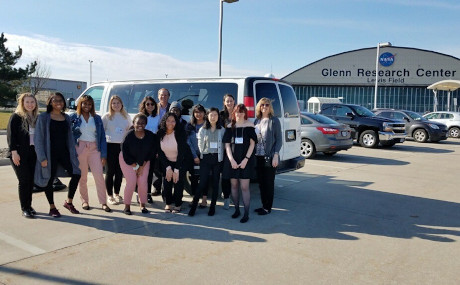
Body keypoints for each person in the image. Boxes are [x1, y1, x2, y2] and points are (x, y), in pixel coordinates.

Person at [34, 92, 81, 218]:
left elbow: (70, 137)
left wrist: (74, 154)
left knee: (76, 174)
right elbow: (38, 139)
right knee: (49, 179)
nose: (58, 103)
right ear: (50, 102)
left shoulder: (66, 117)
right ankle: (52, 207)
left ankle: (69, 202)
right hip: (50, 154)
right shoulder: (44, 117)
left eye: (60, 100)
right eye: (55, 100)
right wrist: (42, 158)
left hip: (65, 153)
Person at [70, 95, 111, 212]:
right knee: (82, 177)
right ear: (80, 104)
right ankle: (85, 201)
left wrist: (104, 155)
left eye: (89, 104)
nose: (87, 106)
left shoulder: (97, 118)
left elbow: (102, 137)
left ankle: (103, 202)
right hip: (80, 148)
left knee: (99, 176)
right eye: (84, 104)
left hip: (94, 148)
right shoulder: (73, 117)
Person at [222, 104, 257, 223]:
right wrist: (231, 159)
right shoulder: (229, 126)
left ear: (245, 113)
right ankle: (236, 210)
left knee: (244, 187)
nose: (239, 114)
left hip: (245, 160)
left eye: (242, 112)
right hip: (232, 160)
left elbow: (252, 144)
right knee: (234, 186)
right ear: (234, 113)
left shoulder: (250, 126)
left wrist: (246, 159)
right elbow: (227, 144)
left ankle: (246, 213)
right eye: (237, 112)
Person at [188, 108, 225, 217]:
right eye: (211, 115)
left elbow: (223, 145)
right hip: (206, 158)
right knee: (202, 182)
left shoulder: (222, 130)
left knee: (215, 182)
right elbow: (200, 144)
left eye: (215, 115)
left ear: (218, 117)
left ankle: (212, 206)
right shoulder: (203, 129)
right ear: (207, 117)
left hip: (217, 159)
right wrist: (203, 154)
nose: (213, 117)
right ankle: (194, 206)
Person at [7, 93, 39, 218]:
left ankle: (29, 205)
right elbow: (11, 137)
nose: (30, 104)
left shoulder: (37, 118)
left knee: (30, 181)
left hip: (33, 153)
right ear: (22, 103)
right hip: (19, 154)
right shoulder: (16, 117)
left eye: (32, 102)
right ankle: (24, 208)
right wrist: (14, 152)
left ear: (35, 103)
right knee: (23, 180)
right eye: (27, 102)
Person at [119, 113, 158, 215]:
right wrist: (136, 166)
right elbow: (125, 154)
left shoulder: (150, 136)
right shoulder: (128, 136)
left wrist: (141, 166)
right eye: (138, 123)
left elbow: (152, 152)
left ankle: (143, 205)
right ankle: (127, 206)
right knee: (131, 182)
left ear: (146, 124)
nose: (140, 125)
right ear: (133, 123)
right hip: (127, 161)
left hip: (144, 161)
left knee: (142, 182)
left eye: (143, 123)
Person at [254, 98, 282, 215]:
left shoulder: (274, 121)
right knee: (261, 183)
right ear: (259, 107)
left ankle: (267, 207)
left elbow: (279, 140)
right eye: (262, 105)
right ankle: (263, 205)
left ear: (270, 107)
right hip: (258, 156)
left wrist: (276, 155)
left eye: (267, 105)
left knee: (269, 183)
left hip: (270, 156)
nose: (264, 107)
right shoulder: (257, 121)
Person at [102, 95, 132, 205]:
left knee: (120, 172)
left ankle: (117, 193)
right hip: (110, 146)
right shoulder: (107, 116)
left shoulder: (126, 116)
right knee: (110, 172)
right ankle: (109, 195)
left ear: (121, 104)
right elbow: (101, 132)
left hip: (122, 147)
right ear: (110, 105)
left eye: (118, 103)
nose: (116, 105)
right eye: (113, 103)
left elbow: (130, 130)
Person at [157, 112, 188, 213]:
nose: (171, 123)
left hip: (180, 162)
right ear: (164, 121)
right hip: (167, 162)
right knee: (167, 182)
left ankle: (178, 204)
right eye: (168, 120)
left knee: (178, 182)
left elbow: (182, 153)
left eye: (173, 121)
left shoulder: (180, 133)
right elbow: (160, 152)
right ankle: (168, 203)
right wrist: (168, 168)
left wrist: (176, 169)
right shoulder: (160, 133)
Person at [139, 96, 161, 202]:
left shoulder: (157, 117)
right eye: (148, 104)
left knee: (150, 172)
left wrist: (157, 150)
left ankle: (147, 193)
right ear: (144, 105)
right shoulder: (140, 117)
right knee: (140, 172)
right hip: (141, 148)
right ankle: (139, 193)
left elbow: (159, 134)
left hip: (152, 148)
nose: (150, 106)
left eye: (152, 104)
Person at [186, 104, 207, 205]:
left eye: (200, 112)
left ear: (204, 113)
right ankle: (195, 198)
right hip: (193, 156)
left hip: (206, 155)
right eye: (196, 112)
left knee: (205, 177)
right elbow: (188, 142)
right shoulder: (189, 126)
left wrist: (203, 155)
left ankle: (204, 199)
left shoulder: (208, 125)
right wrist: (195, 156)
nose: (198, 114)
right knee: (193, 178)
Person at [219, 94, 235, 210]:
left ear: (234, 102)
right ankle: (226, 198)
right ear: (224, 103)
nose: (229, 103)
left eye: (231, 101)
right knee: (225, 174)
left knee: (234, 174)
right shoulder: (220, 115)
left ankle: (234, 196)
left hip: (236, 147)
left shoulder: (238, 113)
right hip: (223, 147)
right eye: (227, 101)